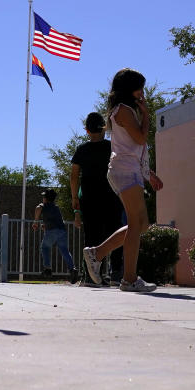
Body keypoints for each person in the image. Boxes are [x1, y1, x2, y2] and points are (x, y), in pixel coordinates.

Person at [80, 69, 164, 293]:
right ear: (129, 89)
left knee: (141, 224)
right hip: (124, 171)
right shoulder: (124, 111)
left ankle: (96, 253)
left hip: (130, 169)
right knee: (137, 224)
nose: (142, 93)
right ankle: (128, 279)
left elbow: (134, 147)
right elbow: (140, 138)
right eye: (139, 88)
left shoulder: (125, 110)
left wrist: (149, 173)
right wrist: (146, 115)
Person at [71, 112, 124, 285]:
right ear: (104, 128)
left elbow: (74, 176)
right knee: (115, 232)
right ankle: (116, 273)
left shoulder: (82, 150)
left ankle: (91, 276)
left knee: (92, 236)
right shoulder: (111, 147)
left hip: (89, 198)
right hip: (111, 196)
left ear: (86, 130)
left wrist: (74, 199)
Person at [33, 189, 76, 280]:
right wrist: (45, 226)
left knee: (45, 247)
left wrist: (35, 221)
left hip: (51, 231)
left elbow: (38, 208)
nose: (43, 198)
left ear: (46, 198)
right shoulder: (56, 207)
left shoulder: (44, 205)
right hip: (62, 231)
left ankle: (47, 269)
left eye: (44, 197)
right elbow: (56, 220)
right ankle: (72, 269)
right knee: (64, 251)